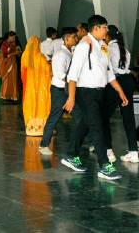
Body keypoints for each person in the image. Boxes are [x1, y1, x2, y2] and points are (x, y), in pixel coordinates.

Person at [61, 14, 127, 182]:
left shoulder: (103, 46)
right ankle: (104, 166)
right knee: (97, 126)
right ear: (96, 28)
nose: (107, 30)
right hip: (85, 92)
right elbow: (73, 75)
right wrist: (71, 98)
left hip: (99, 92)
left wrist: (120, 92)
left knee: (86, 124)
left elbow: (110, 73)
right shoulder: (84, 46)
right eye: (105, 27)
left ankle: (70, 154)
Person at [39, 26, 78, 154]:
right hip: (61, 91)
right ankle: (44, 145)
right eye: (74, 37)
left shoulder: (68, 52)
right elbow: (62, 76)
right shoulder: (61, 54)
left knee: (79, 115)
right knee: (54, 117)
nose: (76, 39)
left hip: (68, 89)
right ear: (67, 39)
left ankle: (90, 143)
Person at [107, 25, 139, 164]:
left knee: (103, 116)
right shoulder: (124, 49)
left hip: (116, 82)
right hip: (128, 82)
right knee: (129, 118)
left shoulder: (108, 49)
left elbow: (108, 70)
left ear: (107, 35)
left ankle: (108, 151)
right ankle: (133, 152)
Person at [21, 35, 52, 137]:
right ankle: (41, 129)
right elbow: (48, 70)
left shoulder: (24, 56)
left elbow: (23, 73)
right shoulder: (40, 57)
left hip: (29, 88)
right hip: (40, 87)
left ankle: (30, 129)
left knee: (30, 105)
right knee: (41, 105)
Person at [0, 33, 22, 103]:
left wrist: (17, 53)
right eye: (13, 38)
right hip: (6, 64)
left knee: (13, 79)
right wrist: (15, 53)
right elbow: (4, 55)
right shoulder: (4, 44)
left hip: (13, 63)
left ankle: (12, 96)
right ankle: (6, 96)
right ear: (9, 37)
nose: (14, 39)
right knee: (7, 80)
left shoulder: (13, 44)